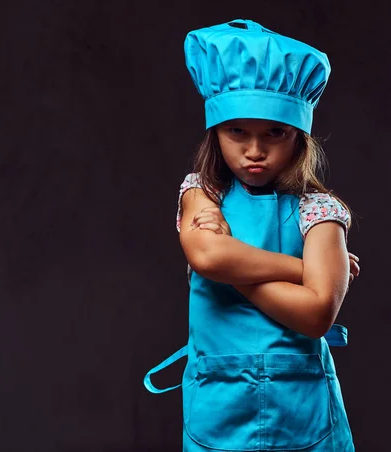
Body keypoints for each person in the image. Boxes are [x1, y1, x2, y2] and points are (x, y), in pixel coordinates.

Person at [143, 19, 360, 452]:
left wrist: (231, 263)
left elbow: (317, 314)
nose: (255, 150)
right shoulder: (201, 192)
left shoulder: (319, 209)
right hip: (220, 402)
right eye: (237, 131)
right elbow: (207, 259)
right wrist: (304, 269)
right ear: (216, 132)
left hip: (301, 409)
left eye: (274, 134)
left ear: (299, 137)